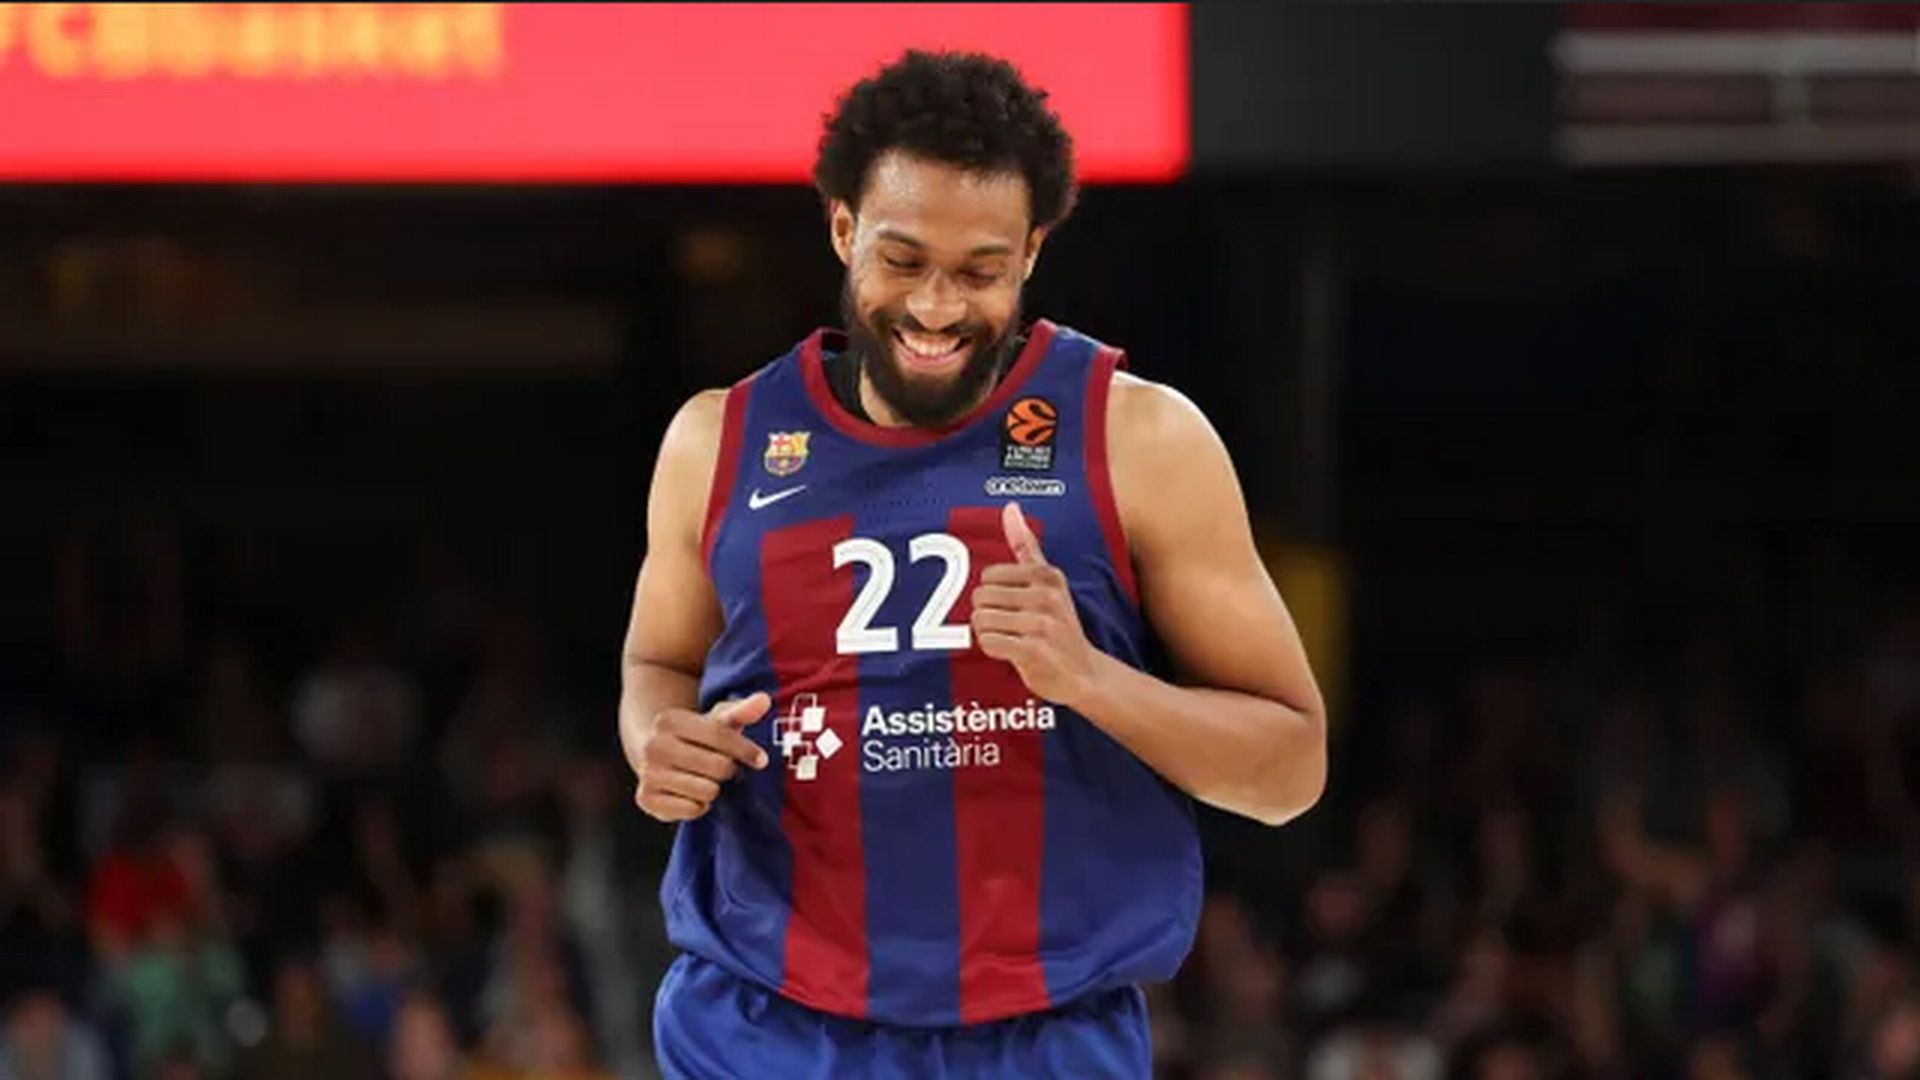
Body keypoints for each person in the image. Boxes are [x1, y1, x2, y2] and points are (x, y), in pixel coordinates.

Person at [619, 49, 1327, 1078]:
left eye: (980, 271)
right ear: (843, 230)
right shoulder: (716, 441)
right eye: (903, 262)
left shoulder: (1138, 438)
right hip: (762, 1025)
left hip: (1037, 1033)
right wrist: (656, 741)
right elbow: (658, 666)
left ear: (1032, 251)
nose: (937, 308)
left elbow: (1290, 771)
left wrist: (1090, 679)